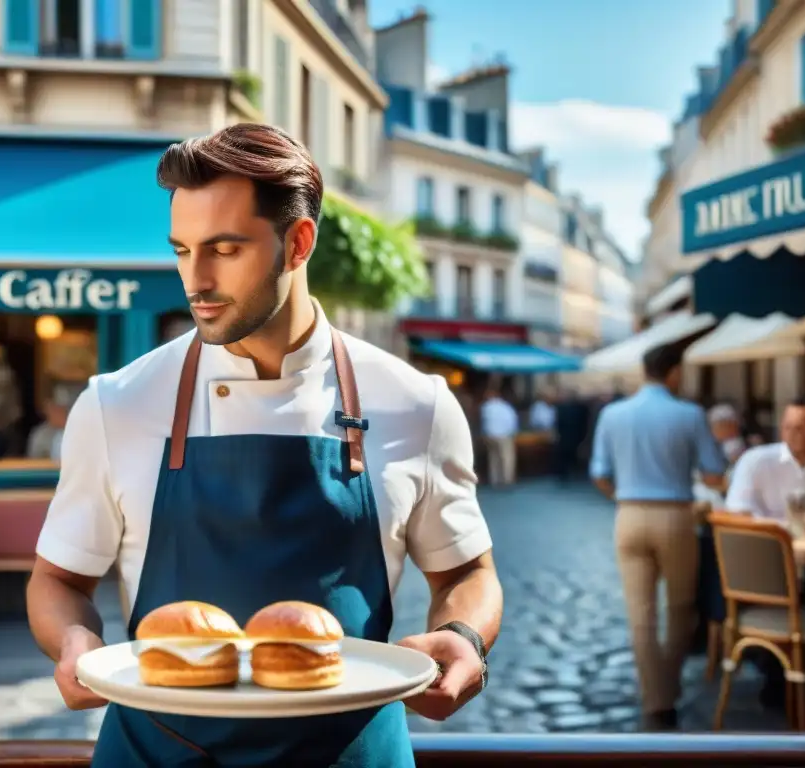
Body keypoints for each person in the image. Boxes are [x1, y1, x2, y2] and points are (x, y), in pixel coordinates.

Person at [27, 123, 502, 767]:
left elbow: (468, 572)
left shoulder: (415, 404)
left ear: (298, 242)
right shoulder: (117, 404)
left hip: (351, 752)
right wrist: (74, 639)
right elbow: (57, 579)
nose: (195, 279)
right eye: (182, 249)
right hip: (157, 752)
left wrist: (463, 635)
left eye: (224, 249)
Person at [589, 343, 726, 731]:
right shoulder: (690, 414)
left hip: (629, 514)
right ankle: (667, 688)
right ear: (674, 373)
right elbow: (714, 473)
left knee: (640, 616)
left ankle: (656, 698)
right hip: (676, 516)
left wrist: (623, 498)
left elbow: (598, 473)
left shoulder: (612, 414)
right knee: (682, 608)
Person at [723, 397, 805, 709]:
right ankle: (776, 676)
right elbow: (737, 515)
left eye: (802, 426)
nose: (792, 433)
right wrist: (783, 528)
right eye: (787, 426)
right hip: (766, 573)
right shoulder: (758, 461)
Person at [480, 387, 518, 486]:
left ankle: (495, 479)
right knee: (506, 458)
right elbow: (512, 420)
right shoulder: (506, 406)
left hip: (490, 435)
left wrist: (484, 433)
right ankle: (506, 479)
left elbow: (484, 422)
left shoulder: (486, 407)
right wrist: (512, 432)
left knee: (493, 458)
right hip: (505, 435)